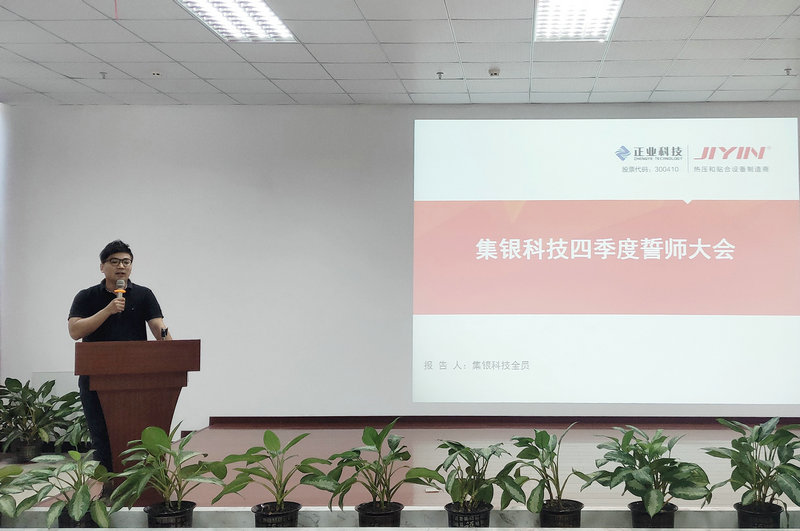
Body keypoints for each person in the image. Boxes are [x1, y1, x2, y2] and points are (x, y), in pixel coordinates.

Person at [68, 240, 172, 472]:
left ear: (131, 266)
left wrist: (170, 347)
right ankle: (109, 484)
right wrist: (108, 309)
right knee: (102, 435)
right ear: (102, 266)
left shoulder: (144, 295)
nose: (121, 266)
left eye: (126, 261)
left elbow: (159, 328)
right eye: (114, 261)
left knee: (139, 433)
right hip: (95, 378)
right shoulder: (86, 296)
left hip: (137, 378)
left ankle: (143, 481)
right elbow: (75, 331)